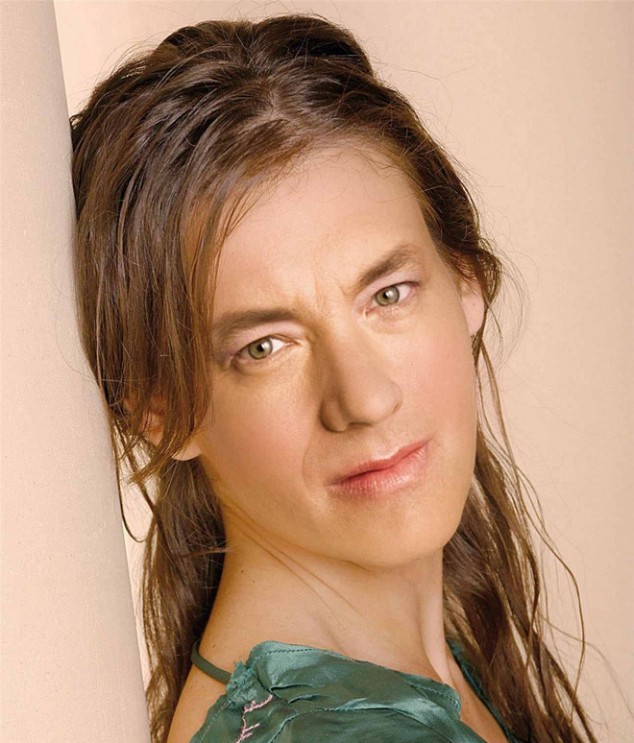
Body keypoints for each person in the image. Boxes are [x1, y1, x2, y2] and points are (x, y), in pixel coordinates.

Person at [69, 13, 600, 743]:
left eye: (388, 294)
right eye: (265, 346)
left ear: (466, 280)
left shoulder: (405, 677)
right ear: (161, 412)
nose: (365, 399)